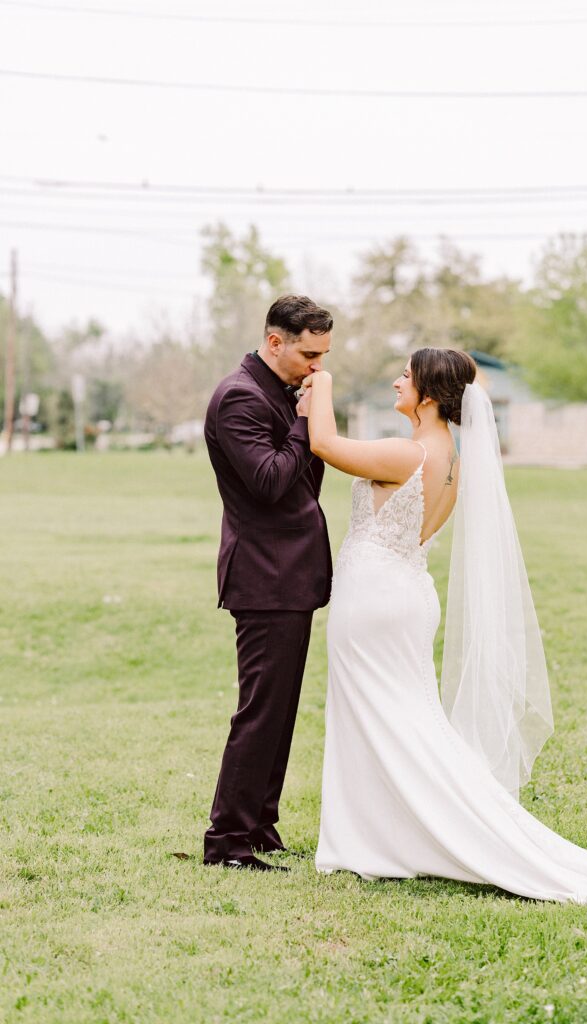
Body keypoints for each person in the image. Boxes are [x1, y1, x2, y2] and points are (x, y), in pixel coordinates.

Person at [304, 349, 587, 917]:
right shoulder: (450, 457)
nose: (395, 381)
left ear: (429, 394)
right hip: (403, 594)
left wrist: (323, 379)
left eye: (405, 376)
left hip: (378, 600)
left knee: (392, 719)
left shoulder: (409, 452)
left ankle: (401, 834)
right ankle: (377, 835)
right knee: (397, 717)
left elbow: (325, 445)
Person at [203, 295, 333, 871]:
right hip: (264, 575)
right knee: (259, 710)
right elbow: (272, 481)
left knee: (280, 710)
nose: (317, 367)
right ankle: (227, 840)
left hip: (291, 574)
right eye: (309, 353)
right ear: (274, 341)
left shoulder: (284, 391)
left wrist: (306, 413)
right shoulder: (239, 397)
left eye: (324, 355)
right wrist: (306, 421)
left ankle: (260, 826)